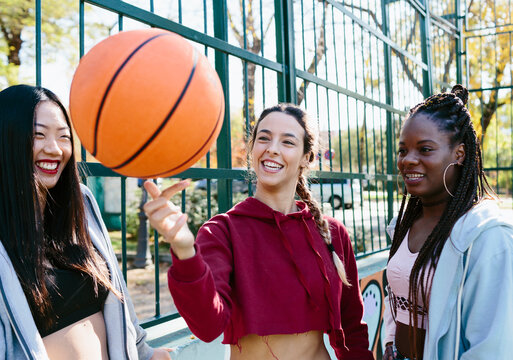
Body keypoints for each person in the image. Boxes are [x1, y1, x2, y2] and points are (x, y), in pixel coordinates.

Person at [144, 104, 374, 359]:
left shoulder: (332, 233)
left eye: (288, 142)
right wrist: (185, 250)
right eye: (263, 138)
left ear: (307, 157)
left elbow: (353, 328)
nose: (272, 148)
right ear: (252, 149)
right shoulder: (222, 231)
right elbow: (207, 327)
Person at [0, 84, 171, 360]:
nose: (54, 149)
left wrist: (144, 352)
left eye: (64, 137)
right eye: (38, 135)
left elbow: (117, 292)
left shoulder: (82, 203)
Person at [383, 85, 513, 360]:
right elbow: (396, 294)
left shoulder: (485, 236)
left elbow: (490, 347)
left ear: (459, 154)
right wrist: (388, 344)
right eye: (403, 150)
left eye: (425, 149)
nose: (408, 160)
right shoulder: (402, 225)